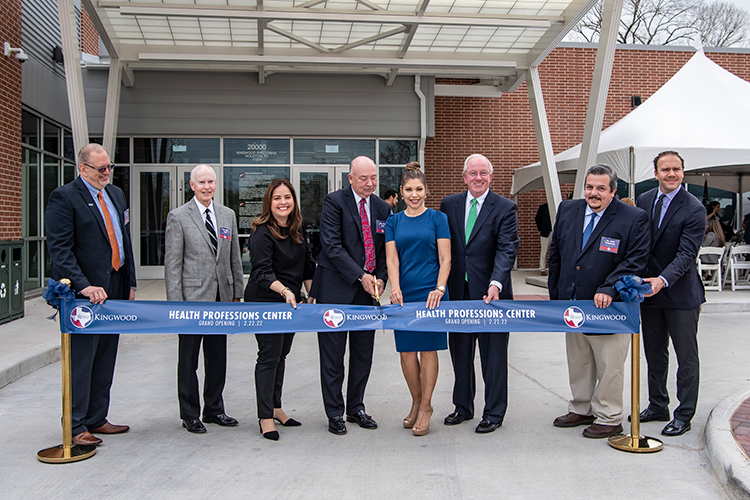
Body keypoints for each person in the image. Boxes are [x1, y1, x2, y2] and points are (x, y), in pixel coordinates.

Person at [549, 164, 650, 439]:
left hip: (610, 308)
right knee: (579, 360)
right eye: (589, 187)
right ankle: (581, 408)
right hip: (573, 305)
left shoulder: (633, 218)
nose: (593, 193)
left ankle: (609, 416)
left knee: (609, 364)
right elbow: (557, 252)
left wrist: (609, 287)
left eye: (601, 188)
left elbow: (635, 260)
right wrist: (556, 296)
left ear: (613, 191)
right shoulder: (568, 210)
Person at [45, 143, 136, 446]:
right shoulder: (65, 197)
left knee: (106, 355)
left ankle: (97, 417)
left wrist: (131, 283)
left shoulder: (116, 194)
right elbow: (60, 251)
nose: (107, 173)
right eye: (101, 168)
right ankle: (74, 426)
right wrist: (83, 285)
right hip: (86, 296)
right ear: (82, 168)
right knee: (82, 360)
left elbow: (124, 240)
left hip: (116, 289)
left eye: (110, 166)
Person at [309, 156, 391, 435]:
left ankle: (356, 408)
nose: (369, 184)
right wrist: (361, 275)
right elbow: (331, 246)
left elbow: (383, 251)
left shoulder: (382, 208)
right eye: (363, 179)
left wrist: (380, 278)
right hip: (336, 291)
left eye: (373, 178)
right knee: (333, 355)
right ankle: (334, 412)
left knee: (362, 355)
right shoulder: (334, 202)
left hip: (369, 295)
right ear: (350, 178)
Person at [439, 153, 519, 434]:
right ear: (464, 177)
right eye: (473, 173)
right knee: (460, 354)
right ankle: (462, 407)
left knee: (493, 357)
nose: (478, 178)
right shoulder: (449, 205)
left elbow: (507, 249)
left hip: (491, 296)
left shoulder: (505, 207)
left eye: (483, 173)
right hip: (458, 294)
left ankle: (494, 413)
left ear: (491, 177)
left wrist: (496, 282)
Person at [165, 164, 244, 434]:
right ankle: (190, 413)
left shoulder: (227, 215)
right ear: (192, 185)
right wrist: (176, 305)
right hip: (192, 300)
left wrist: (236, 293)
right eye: (202, 182)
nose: (207, 187)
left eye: (211, 181)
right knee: (188, 360)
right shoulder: (178, 217)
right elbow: (173, 265)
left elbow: (234, 256)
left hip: (221, 299)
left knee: (217, 358)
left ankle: (214, 409)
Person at [636, 151, 706, 437]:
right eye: (665, 169)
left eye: (676, 169)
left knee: (685, 357)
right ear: (656, 173)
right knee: (654, 354)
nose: (671, 174)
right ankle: (657, 405)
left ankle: (684, 414)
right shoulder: (644, 200)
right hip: (650, 294)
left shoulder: (694, 208)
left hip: (681, 295)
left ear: (683, 172)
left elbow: (687, 254)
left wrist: (662, 280)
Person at [244, 178, 316, 441]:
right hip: (266, 300)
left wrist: (312, 293)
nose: (283, 202)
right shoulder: (261, 231)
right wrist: (286, 290)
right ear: (269, 203)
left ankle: (276, 407)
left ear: (293, 201)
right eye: (277, 198)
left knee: (281, 354)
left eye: (287, 197)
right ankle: (265, 417)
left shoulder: (298, 230)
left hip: (292, 302)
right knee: (268, 356)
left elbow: (307, 266)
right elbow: (262, 272)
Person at [386, 162, 451, 436]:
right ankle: (415, 401)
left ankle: (426, 407)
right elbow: (392, 258)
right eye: (409, 189)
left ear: (426, 191)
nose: (414, 194)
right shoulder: (393, 221)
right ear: (401, 192)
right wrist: (395, 287)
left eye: (419, 189)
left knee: (427, 350)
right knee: (406, 352)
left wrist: (439, 288)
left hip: (431, 294)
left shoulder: (438, 219)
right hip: (405, 295)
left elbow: (446, 258)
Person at [535, 202, 551, 275]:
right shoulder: (543, 207)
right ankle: (542, 268)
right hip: (546, 232)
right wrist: (541, 229)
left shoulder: (559, 206)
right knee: (544, 251)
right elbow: (537, 218)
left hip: (555, 231)